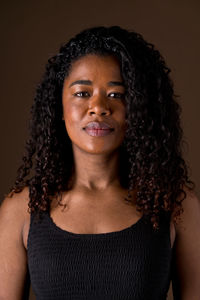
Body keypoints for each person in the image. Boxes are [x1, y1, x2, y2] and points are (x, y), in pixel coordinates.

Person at [0, 26, 199, 300]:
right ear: (59, 106)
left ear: (139, 108)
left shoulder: (176, 205)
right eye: (82, 93)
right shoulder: (21, 210)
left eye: (117, 95)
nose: (99, 107)